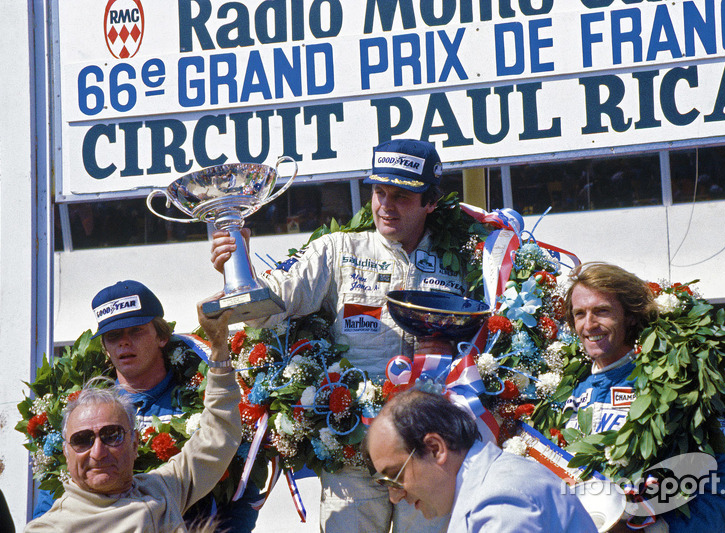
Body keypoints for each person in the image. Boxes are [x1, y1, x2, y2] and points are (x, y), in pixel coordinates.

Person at [210, 139, 463, 533]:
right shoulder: (339, 250)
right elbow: (275, 305)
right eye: (379, 192)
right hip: (352, 447)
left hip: (429, 450)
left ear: (430, 202)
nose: (385, 205)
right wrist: (238, 266)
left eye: (401, 196)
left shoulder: (464, 257)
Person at [32, 280, 260, 532]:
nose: (97, 451)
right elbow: (45, 507)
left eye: (112, 436)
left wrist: (218, 349)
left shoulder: (160, 489)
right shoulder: (54, 524)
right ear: (66, 450)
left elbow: (219, 441)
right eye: (113, 335)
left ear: (134, 443)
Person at [563, 262, 725, 533]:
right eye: (580, 314)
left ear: (630, 316)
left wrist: (657, 530)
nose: (589, 324)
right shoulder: (570, 391)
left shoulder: (679, 382)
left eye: (602, 311)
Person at [363, 389, 598, 533]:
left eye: (396, 476)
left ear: (435, 449)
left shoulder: (500, 500)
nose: (394, 496)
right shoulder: (494, 484)